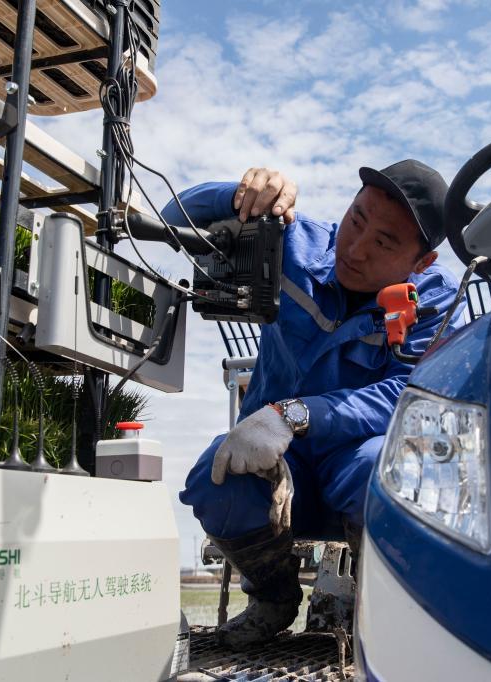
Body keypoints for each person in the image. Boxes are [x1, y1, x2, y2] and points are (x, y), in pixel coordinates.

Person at [160, 160, 466, 649]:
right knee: (217, 479)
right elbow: (175, 214)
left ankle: (378, 611)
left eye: (384, 243)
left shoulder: (434, 300)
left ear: (421, 263)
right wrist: (243, 196)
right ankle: (272, 599)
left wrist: (295, 414)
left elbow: (407, 394)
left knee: (387, 474)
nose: (356, 249)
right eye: (356, 220)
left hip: (357, 457)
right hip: (279, 458)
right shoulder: (292, 245)